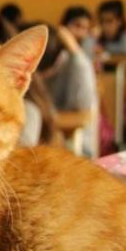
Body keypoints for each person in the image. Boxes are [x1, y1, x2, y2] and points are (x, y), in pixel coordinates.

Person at [35, 24, 98, 157]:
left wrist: (73, 46)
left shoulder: (76, 65)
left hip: (75, 148)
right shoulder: (65, 63)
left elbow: (81, 113)